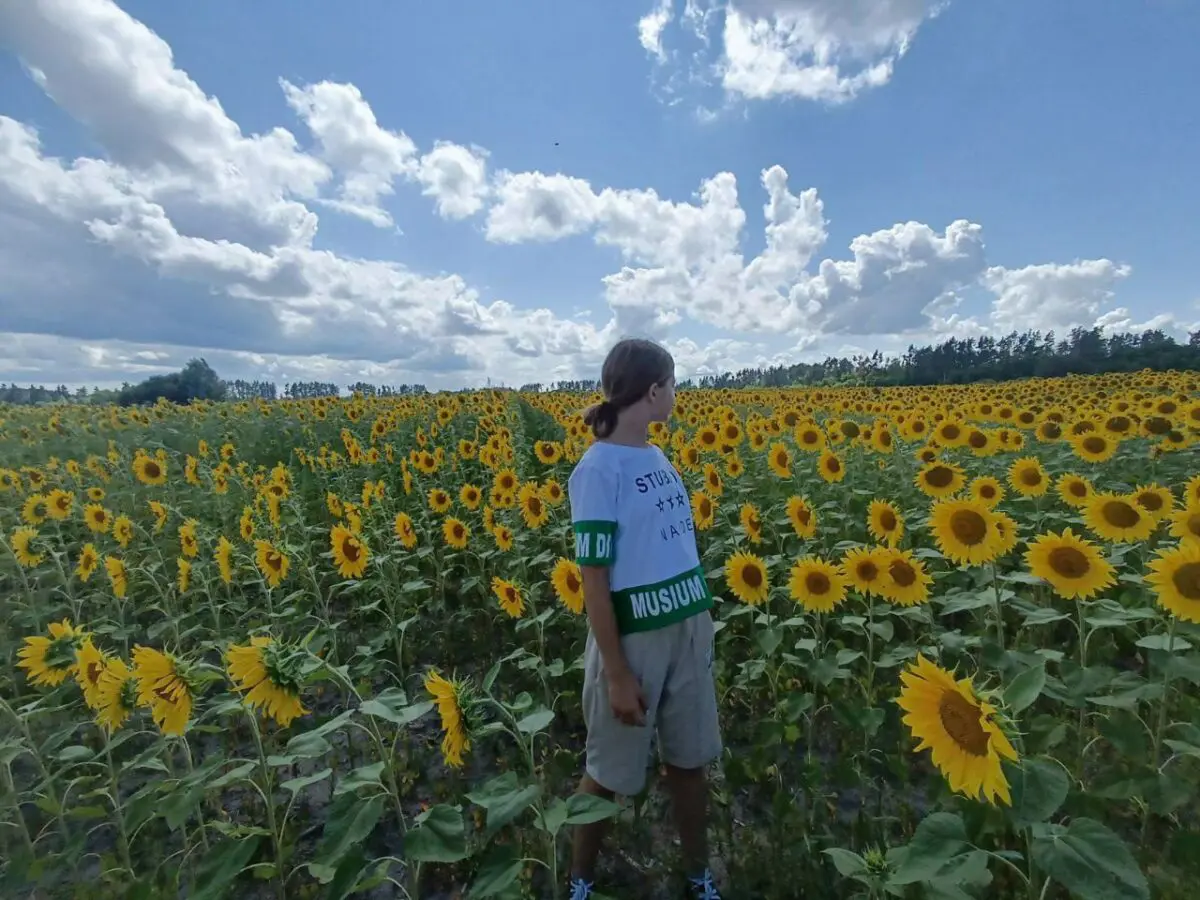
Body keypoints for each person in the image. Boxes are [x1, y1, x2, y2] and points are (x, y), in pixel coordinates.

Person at [565, 338, 725, 900]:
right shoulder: (598, 469)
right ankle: (581, 882)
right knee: (607, 772)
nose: (677, 396)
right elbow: (594, 579)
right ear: (654, 391)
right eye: (674, 385)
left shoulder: (654, 456)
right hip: (633, 641)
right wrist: (616, 672)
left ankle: (698, 873)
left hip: (686, 627)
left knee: (689, 761)